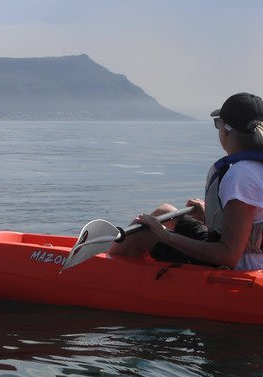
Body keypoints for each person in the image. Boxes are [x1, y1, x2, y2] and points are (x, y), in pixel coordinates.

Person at [110, 92, 263, 270]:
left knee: (142, 232)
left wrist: (165, 236)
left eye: (217, 123)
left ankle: (100, 274)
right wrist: (209, 217)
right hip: (247, 254)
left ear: (226, 131)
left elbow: (228, 255)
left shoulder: (241, 175)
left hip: (239, 269)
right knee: (165, 212)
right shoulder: (255, 168)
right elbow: (250, 225)